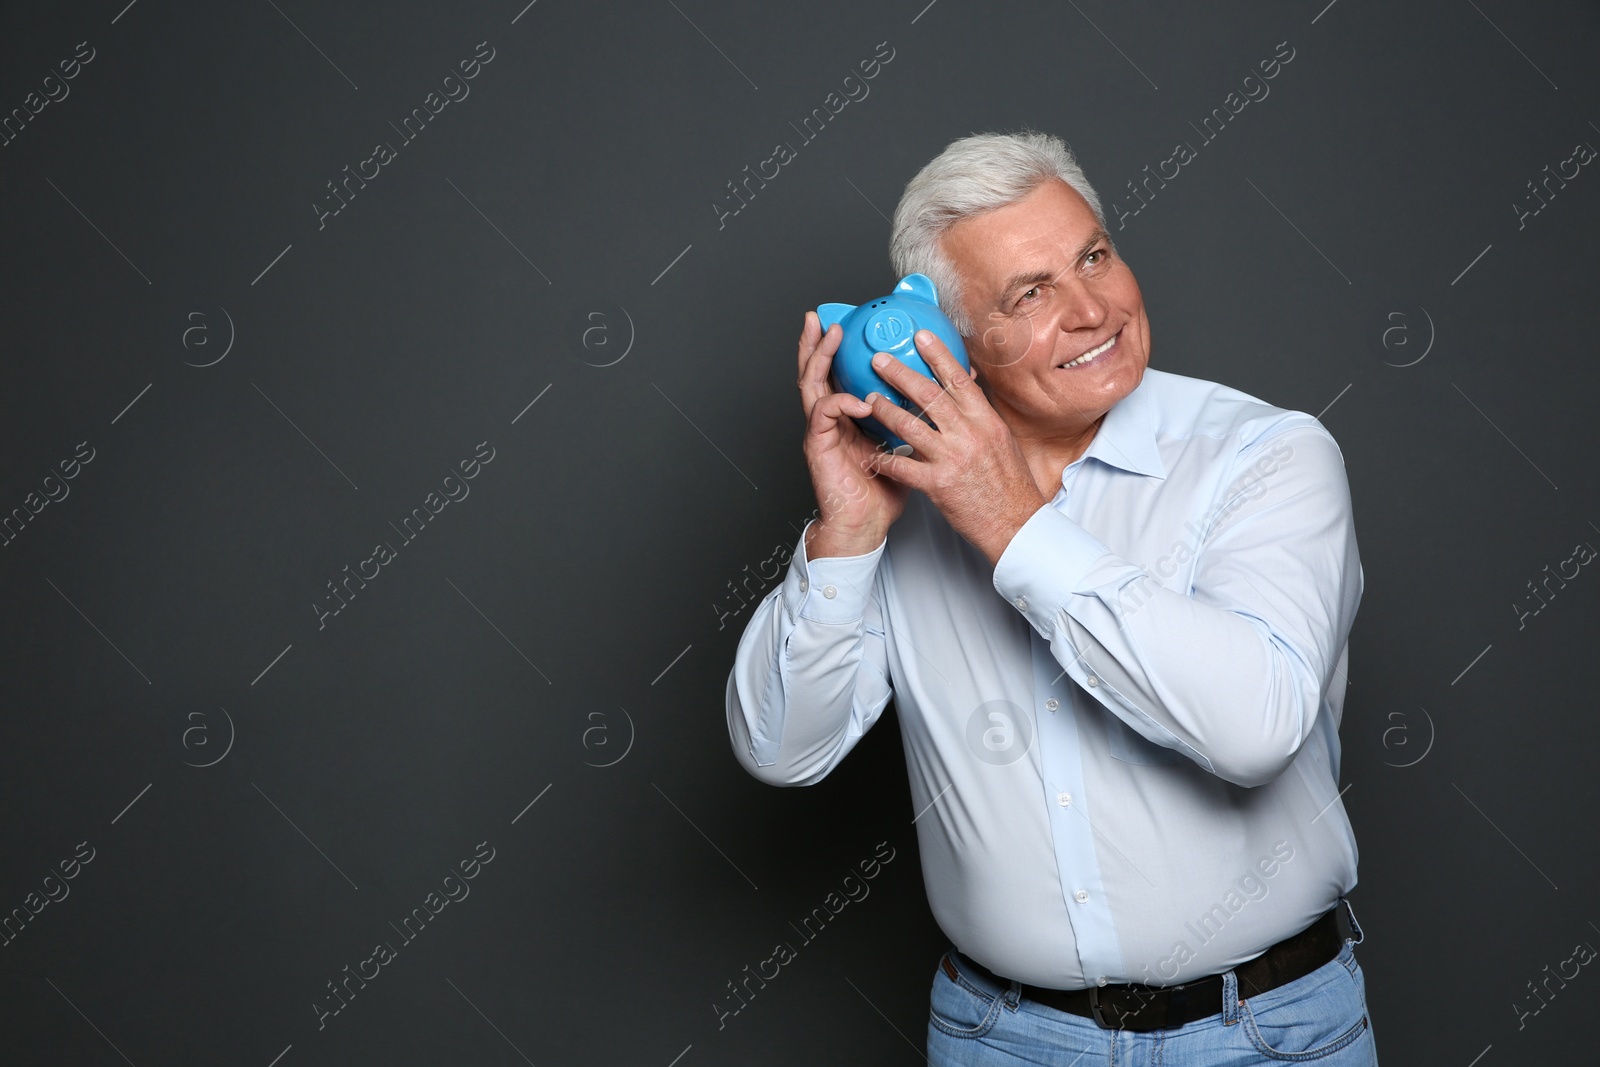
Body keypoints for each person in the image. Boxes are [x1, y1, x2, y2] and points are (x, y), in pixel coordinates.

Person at [724, 130, 1376, 1065]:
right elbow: (784, 750)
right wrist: (848, 534)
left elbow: (1255, 729)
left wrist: (1015, 527)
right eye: (1029, 295)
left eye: (1095, 257)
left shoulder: (1268, 456)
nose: (1092, 310)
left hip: (1264, 1033)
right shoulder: (901, 502)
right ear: (949, 340)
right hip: (1003, 1039)